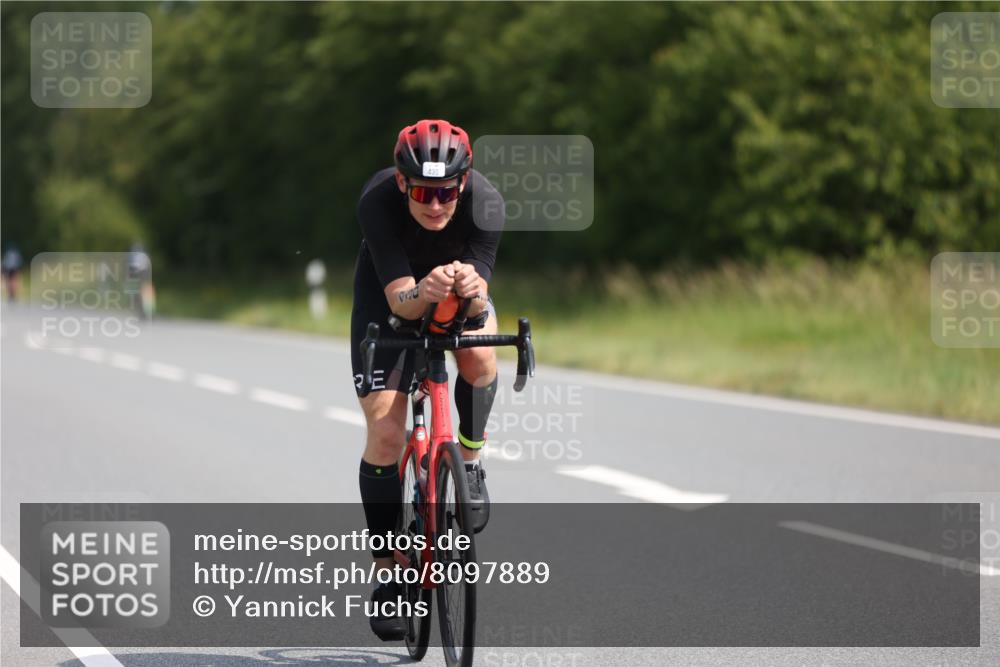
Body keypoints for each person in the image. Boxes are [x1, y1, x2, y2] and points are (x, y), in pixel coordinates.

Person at [351, 119, 504, 640]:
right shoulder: (376, 201)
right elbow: (399, 301)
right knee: (386, 434)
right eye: (421, 192)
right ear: (401, 183)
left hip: (460, 294)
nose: (434, 205)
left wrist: (471, 290)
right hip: (388, 297)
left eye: (444, 193)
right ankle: (390, 575)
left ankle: (470, 458)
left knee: (483, 357)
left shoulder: (487, 204)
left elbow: (481, 306)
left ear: (462, 185)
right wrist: (425, 289)